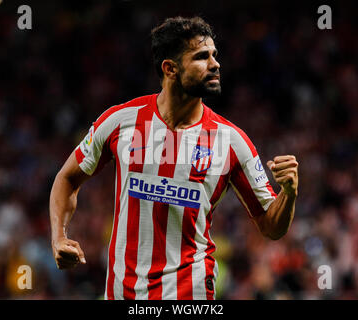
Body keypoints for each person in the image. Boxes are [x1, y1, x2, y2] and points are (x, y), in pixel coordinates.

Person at [49, 16, 298, 300]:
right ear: (170, 68)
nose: (215, 64)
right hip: (120, 294)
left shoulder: (233, 142)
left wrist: (288, 193)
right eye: (202, 57)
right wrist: (59, 236)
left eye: (214, 55)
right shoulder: (120, 121)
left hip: (189, 296)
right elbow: (67, 177)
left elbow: (271, 226)